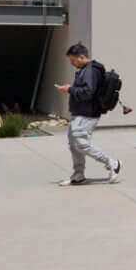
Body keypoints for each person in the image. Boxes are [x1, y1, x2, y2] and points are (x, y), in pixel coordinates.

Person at [53, 42, 124, 186]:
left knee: (81, 143)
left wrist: (70, 89)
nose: (72, 63)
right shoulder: (86, 70)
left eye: (73, 60)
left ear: (81, 57)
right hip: (80, 112)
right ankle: (78, 175)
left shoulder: (91, 70)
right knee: (74, 145)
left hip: (87, 114)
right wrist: (71, 89)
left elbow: (88, 92)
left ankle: (112, 163)